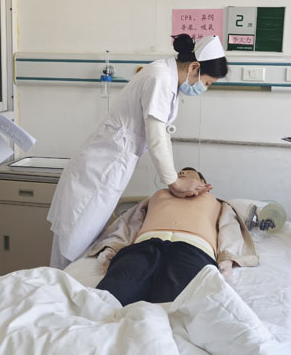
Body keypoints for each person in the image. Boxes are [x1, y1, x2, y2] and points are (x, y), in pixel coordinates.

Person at [47, 34, 229, 269]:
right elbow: (156, 134)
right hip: (97, 172)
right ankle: (60, 283)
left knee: (82, 237)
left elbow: (162, 134)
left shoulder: (166, 78)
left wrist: (173, 179)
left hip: (106, 169)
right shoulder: (160, 78)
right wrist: (173, 182)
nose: (204, 88)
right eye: (207, 83)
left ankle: (64, 280)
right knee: (74, 240)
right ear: (194, 67)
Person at [85, 168, 259, 306]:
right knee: (105, 300)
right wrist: (113, 247)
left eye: (189, 174)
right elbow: (130, 223)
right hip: (143, 247)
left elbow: (229, 228)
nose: (182, 173)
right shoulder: (157, 195)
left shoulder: (215, 202)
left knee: (180, 310)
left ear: (203, 183)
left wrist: (227, 258)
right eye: (179, 173)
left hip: (193, 250)